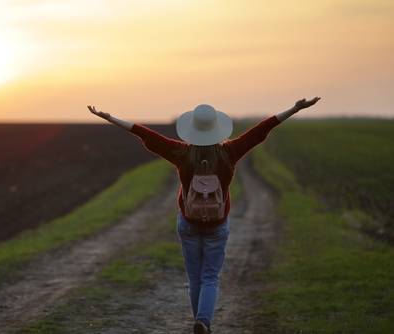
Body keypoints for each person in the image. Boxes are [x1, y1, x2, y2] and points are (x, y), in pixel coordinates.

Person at [87, 97, 321, 334]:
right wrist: (295, 108)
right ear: (217, 129)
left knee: (194, 277)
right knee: (210, 276)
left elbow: (144, 134)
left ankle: (199, 322)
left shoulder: (180, 152)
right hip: (217, 224)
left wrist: (109, 118)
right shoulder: (230, 151)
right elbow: (261, 130)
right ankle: (203, 322)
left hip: (188, 222)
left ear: (192, 129)